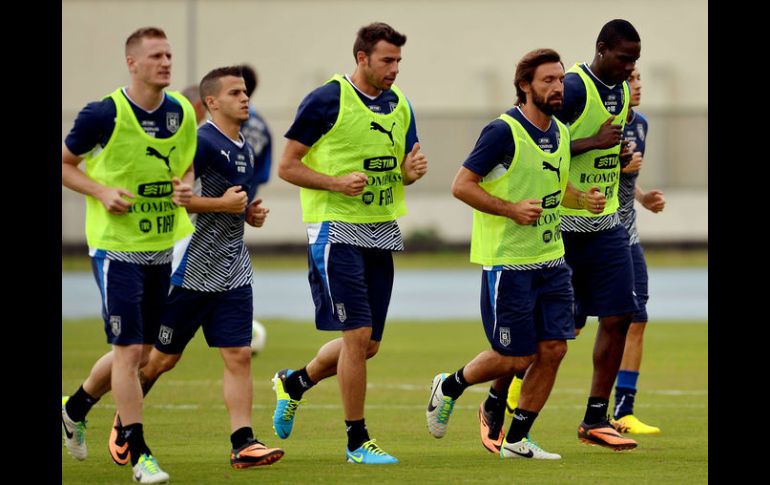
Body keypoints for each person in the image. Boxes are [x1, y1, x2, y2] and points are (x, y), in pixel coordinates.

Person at [425, 48, 606, 460]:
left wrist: (583, 200)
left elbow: (555, 191)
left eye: (560, 79)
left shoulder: (560, 132)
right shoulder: (502, 132)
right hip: (509, 264)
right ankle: (449, 385)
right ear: (525, 86)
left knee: (555, 348)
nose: (558, 87)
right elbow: (462, 185)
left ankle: (518, 439)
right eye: (548, 80)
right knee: (517, 355)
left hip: (552, 260)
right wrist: (510, 209)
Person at [107, 66, 283, 470]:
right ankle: (126, 419)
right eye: (235, 92)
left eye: (245, 92)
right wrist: (222, 206)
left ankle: (244, 443)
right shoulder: (199, 143)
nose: (245, 98)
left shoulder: (244, 147)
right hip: (190, 271)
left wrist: (248, 214)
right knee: (162, 359)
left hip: (233, 267)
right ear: (212, 102)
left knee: (238, 354)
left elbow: (231, 203)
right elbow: (177, 197)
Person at [273, 22, 427, 465]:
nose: (395, 69)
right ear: (361, 58)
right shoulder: (326, 100)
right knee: (356, 336)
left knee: (368, 344)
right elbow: (287, 166)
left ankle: (295, 383)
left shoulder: (400, 105)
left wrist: (409, 173)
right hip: (335, 231)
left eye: (398, 61)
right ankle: (357, 441)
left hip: (381, 230)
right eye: (387, 60)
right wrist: (335, 183)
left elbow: (404, 166)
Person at [61, 26, 196, 483]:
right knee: (127, 350)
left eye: (169, 55)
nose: (166, 62)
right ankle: (139, 453)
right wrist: (99, 191)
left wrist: (185, 185)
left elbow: (186, 163)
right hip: (117, 251)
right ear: (132, 63)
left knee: (140, 353)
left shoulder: (182, 112)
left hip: (161, 248)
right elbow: (64, 163)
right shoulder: (104, 114)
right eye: (156, 55)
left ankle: (74, 407)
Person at [552, 18, 642, 451]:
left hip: (605, 223)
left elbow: (609, 143)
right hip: (563, 227)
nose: (630, 68)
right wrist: (591, 141)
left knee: (621, 315)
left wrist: (618, 150)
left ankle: (594, 418)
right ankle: (496, 400)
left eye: (635, 60)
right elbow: (540, 144)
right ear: (602, 49)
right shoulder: (571, 87)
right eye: (624, 58)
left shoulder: (622, 91)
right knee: (555, 331)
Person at [611, 67, 666, 435]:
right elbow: (578, 169)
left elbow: (629, 177)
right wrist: (617, 164)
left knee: (637, 319)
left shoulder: (641, 124)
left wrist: (642, 196)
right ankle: (514, 390)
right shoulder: (601, 123)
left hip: (628, 235)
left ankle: (623, 410)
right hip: (595, 236)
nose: (639, 85)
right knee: (569, 327)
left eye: (640, 79)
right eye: (631, 80)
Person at [238, 64, 273, 194]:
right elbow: (264, 174)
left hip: (222, 203)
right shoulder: (262, 126)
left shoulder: (227, 123)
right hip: (249, 195)